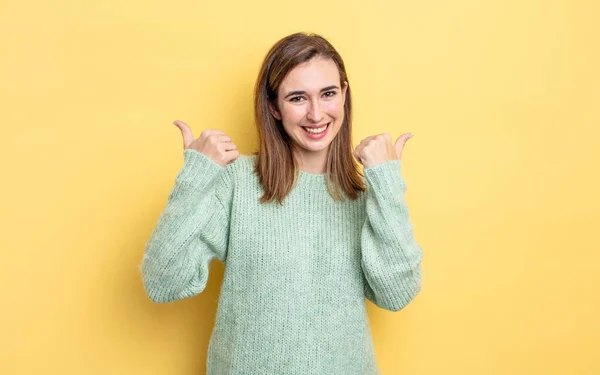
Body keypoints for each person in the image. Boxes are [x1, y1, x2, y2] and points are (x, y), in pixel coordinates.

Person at [141, 32, 423, 375]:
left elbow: (396, 295)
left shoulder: (367, 195)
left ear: (344, 95)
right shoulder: (236, 183)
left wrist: (388, 184)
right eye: (298, 98)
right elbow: (163, 283)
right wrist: (196, 177)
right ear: (274, 106)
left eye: (328, 94)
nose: (316, 114)